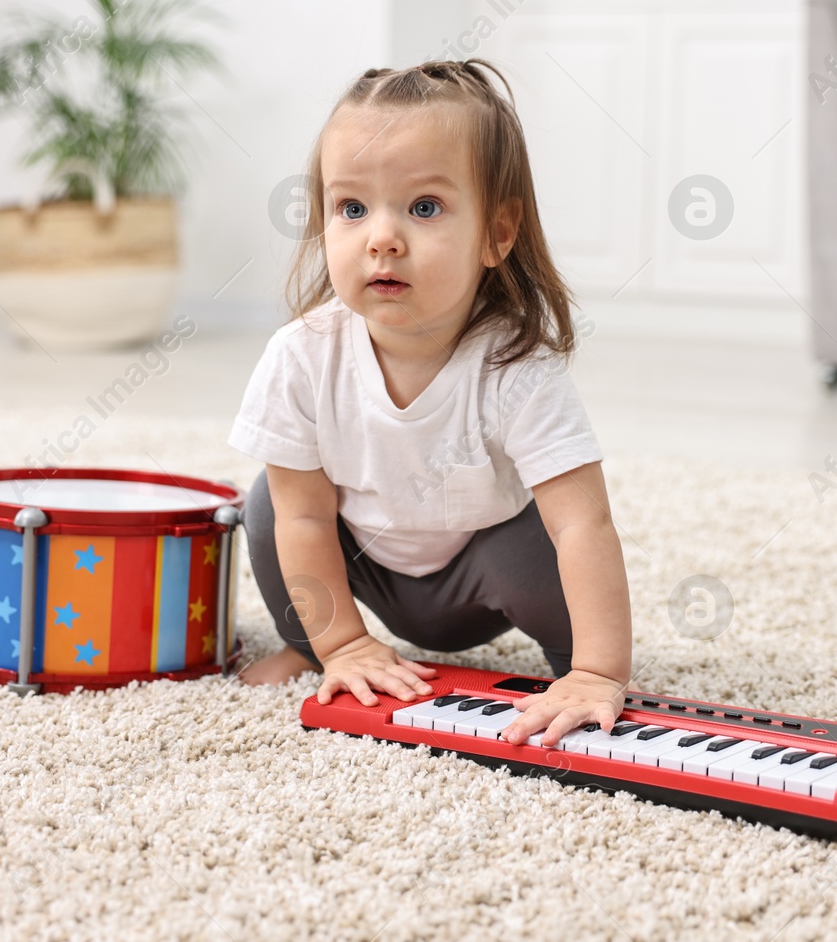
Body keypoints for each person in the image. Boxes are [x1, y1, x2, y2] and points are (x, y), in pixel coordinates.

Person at [230, 59, 632, 746]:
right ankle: (314, 644)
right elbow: (301, 516)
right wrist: (344, 643)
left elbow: (583, 524)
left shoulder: (517, 367)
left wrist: (603, 667)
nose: (381, 238)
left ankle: (577, 669)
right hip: (366, 566)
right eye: (351, 208)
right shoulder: (302, 355)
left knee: (543, 533)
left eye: (423, 208)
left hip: (485, 579)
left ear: (496, 235)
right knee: (269, 503)